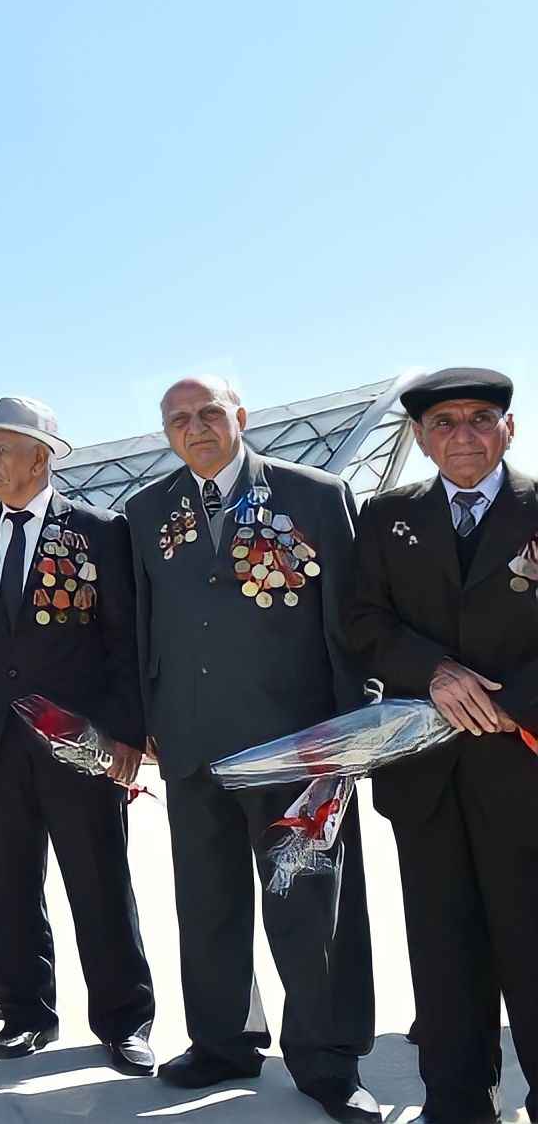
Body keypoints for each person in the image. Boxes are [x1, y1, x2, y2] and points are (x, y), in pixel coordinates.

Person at [127, 377, 378, 1122]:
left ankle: (329, 1060)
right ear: (166, 432)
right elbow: (144, 627)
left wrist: (349, 725)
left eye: (209, 413)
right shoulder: (147, 511)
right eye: (180, 419)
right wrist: (149, 721)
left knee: (310, 907)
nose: (196, 428)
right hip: (192, 739)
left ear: (240, 417)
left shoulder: (314, 493)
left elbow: (347, 620)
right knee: (207, 904)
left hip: (297, 743)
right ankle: (222, 1041)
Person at [0, 396, 156, 1074]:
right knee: (8, 882)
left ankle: (124, 1021)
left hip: (79, 746)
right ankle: (25, 1011)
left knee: (99, 882)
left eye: (0, 451)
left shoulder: (97, 531)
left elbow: (123, 642)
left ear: (40, 457)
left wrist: (126, 733)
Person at [346, 366, 537, 1124]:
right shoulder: (387, 515)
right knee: (443, 952)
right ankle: (456, 1104)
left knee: (532, 948)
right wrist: (434, 672)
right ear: (422, 440)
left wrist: (498, 703)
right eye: (445, 423)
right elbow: (362, 622)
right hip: (425, 776)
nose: (465, 434)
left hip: (521, 764)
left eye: (481, 418)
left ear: (508, 429)